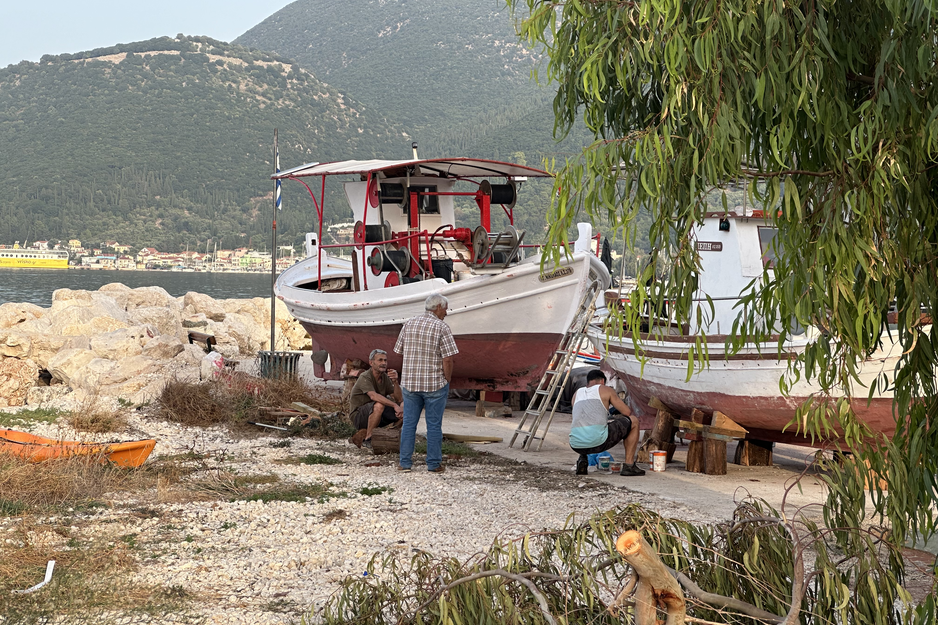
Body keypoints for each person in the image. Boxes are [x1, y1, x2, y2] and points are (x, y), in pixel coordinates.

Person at [395, 293, 459, 473]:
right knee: (433, 425)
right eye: (445, 308)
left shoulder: (409, 324)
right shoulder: (441, 327)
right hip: (434, 384)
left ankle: (405, 463)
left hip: (410, 383)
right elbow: (448, 359)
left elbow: (399, 351)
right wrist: (447, 379)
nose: (446, 312)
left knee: (409, 424)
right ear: (438, 307)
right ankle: (433, 464)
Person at [570, 369, 644, 476]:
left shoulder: (576, 394)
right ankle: (629, 465)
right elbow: (626, 412)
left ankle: (583, 460)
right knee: (634, 421)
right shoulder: (605, 389)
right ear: (602, 382)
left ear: (588, 382)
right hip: (599, 442)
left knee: (584, 424)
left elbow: (581, 417)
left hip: (575, 444)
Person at [348, 349, 403, 448]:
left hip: (377, 414)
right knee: (379, 405)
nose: (383, 363)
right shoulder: (365, 377)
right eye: (380, 360)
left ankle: (392, 434)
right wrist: (394, 405)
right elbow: (373, 396)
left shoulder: (385, 377)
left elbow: (399, 399)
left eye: (385, 360)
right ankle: (368, 439)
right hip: (359, 416)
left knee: (405, 406)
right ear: (371, 362)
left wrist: (395, 382)